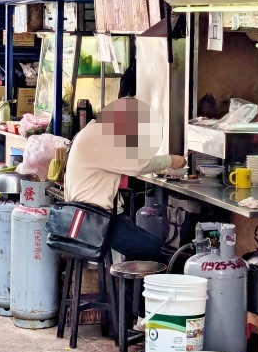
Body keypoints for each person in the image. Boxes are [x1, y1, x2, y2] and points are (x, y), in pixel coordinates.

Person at [63, 97, 182, 262]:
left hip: (87, 217)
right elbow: (138, 165)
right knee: (160, 252)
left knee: (152, 246)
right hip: (96, 220)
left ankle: (129, 287)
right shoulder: (101, 136)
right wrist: (171, 160)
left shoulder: (90, 132)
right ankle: (134, 287)